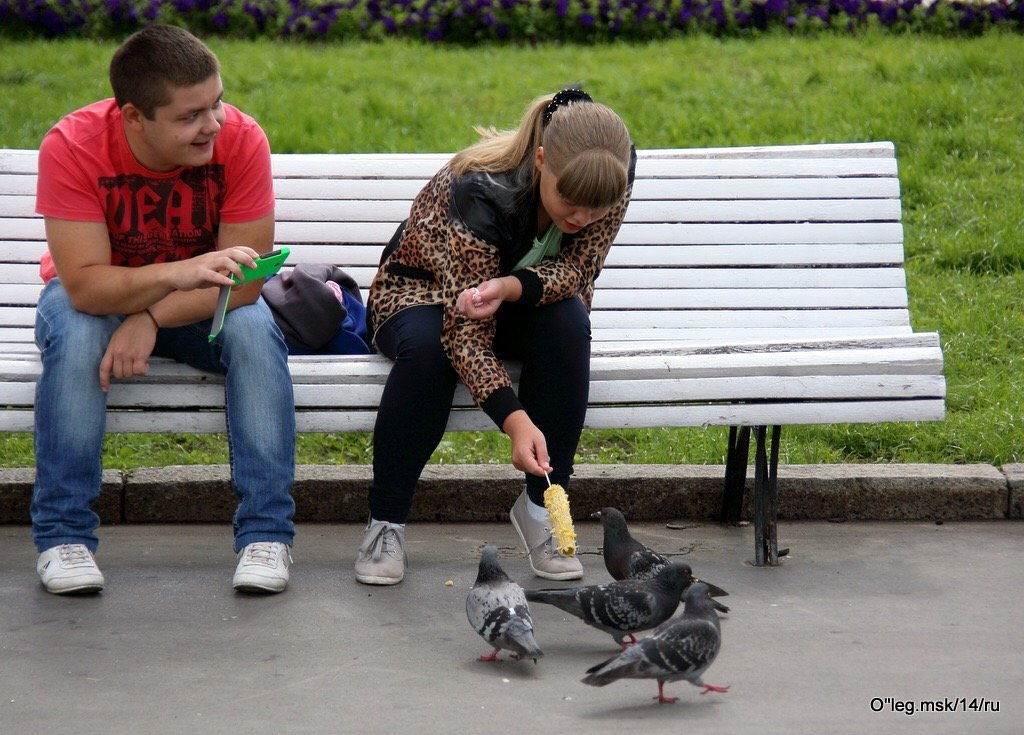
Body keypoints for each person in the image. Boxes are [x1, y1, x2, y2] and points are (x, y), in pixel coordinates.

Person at [31, 24, 296, 595]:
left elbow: (245, 283)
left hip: (197, 305)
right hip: (98, 303)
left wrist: (149, 318)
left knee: (253, 332)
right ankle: (62, 536)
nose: (214, 124)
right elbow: (83, 289)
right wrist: (174, 274)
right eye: (190, 115)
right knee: (77, 337)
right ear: (134, 118)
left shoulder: (242, 139)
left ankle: (266, 535)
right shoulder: (73, 146)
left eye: (217, 102)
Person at [356, 88, 635, 585]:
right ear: (542, 160)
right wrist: (514, 420)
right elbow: (465, 337)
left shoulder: (610, 172)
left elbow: (578, 271)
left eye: (597, 210)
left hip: (515, 295)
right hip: (422, 295)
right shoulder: (480, 192)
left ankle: (541, 507)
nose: (582, 219)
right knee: (428, 352)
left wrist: (511, 286)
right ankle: (387, 522)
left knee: (569, 323)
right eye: (569, 202)